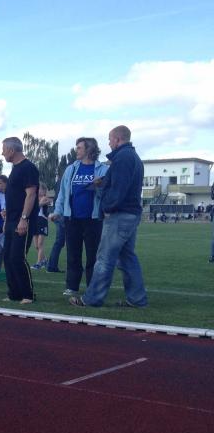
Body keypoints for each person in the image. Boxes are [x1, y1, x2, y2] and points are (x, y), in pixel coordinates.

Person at [70, 125, 148, 308]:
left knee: (104, 258)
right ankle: (137, 299)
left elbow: (119, 188)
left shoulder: (122, 158)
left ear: (117, 139)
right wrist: (104, 182)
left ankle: (92, 299)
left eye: (110, 139)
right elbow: (123, 183)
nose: (109, 143)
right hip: (130, 213)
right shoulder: (132, 157)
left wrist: (107, 207)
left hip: (119, 214)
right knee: (127, 258)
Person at [51, 137, 108, 295]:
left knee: (93, 255)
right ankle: (72, 286)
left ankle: (92, 287)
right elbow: (62, 193)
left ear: (89, 149)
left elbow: (107, 195)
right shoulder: (71, 169)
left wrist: (99, 186)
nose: (76, 150)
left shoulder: (103, 169)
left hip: (93, 219)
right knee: (73, 254)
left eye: (79, 148)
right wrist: (57, 211)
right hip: (72, 219)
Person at [1, 137, 40, 304]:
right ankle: (14, 294)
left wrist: (24, 219)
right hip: (11, 221)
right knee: (7, 257)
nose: (2, 153)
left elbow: (31, 195)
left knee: (17, 257)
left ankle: (28, 295)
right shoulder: (15, 169)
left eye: (4, 149)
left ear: (11, 150)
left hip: (22, 221)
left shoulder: (28, 168)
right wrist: (6, 220)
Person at [29, 184, 51, 269]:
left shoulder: (45, 198)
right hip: (34, 221)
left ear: (44, 190)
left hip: (42, 221)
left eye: (40, 189)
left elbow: (38, 206)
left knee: (40, 244)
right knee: (36, 246)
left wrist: (37, 204)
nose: (38, 190)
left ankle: (38, 263)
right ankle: (44, 260)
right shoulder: (34, 198)